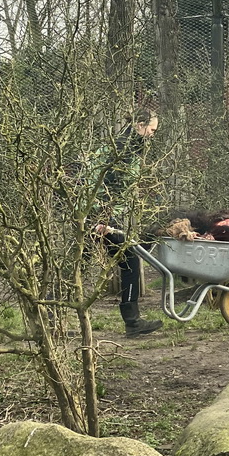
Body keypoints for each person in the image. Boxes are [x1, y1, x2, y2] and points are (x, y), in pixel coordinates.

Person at [98, 109, 163, 337]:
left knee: (128, 258)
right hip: (98, 214)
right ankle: (132, 322)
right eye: (152, 130)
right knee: (129, 257)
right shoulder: (125, 147)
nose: (153, 135)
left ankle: (133, 321)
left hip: (97, 213)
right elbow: (106, 181)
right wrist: (102, 219)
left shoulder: (127, 144)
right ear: (141, 125)